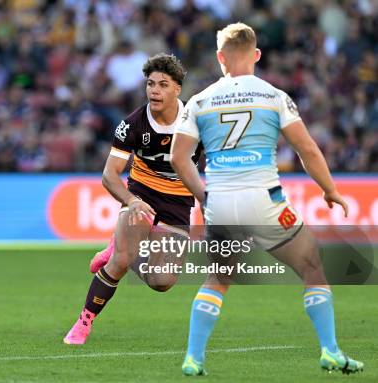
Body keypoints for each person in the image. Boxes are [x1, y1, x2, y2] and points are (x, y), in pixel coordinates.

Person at [170, 23, 364, 375]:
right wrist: (330, 189)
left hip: (221, 202)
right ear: (256, 54)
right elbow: (307, 149)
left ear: (220, 58)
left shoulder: (199, 101)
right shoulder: (273, 96)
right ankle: (331, 351)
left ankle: (193, 358)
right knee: (311, 267)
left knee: (218, 278)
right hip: (265, 199)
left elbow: (178, 157)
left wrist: (204, 195)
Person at [64, 53, 199, 345]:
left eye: (163, 84)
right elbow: (109, 175)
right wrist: (131, 201)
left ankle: (117, 246)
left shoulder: (197, 123)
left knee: (162, 282)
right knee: (121, 261)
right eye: (150, 84)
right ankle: (83, 322)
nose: (154, 90)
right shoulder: (133, 124)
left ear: (177, 89)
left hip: (178, 201)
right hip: (142, 194)